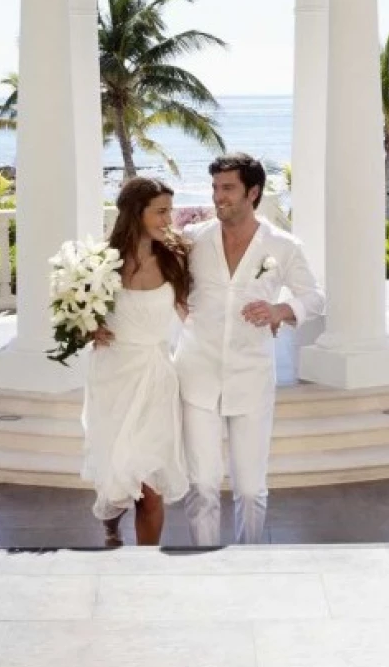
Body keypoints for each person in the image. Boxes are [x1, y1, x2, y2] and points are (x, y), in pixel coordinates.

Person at [174, 152, 324, 544]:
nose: (217, 197)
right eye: (215, 188)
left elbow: (314, 297)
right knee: (202, 484)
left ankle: (249, 562)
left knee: (250, 489)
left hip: (251, 376)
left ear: (252, 192)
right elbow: (159, 282)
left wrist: (280, 310)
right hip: (197, 373)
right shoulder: (193, 240)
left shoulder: (282, 245)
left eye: (227, 188)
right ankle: (204, 561)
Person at [81, 176, 193, 547]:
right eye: (160, 212)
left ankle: (146, 564)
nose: (168, 220)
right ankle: (112, 522)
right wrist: (88, 330)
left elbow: (199, 311)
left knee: (150, 483)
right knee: (117, 468)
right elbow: (77, 317)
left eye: (170, 211)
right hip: (114, 376)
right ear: (135, 213)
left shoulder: (177, 256)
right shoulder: (100, 264)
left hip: (157, 377)